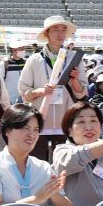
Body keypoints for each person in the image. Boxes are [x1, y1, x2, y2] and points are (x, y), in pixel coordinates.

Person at [18, 15, 88, 160]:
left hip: (67, 120)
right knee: (38, 163)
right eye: (55, 29)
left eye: (63, 30)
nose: (60, 33)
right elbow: (24, 91)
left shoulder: (74, 58)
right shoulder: (34, 60)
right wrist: (41, 91)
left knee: (66, 165)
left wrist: (74, 80)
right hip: (40, 121)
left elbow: (82, 93)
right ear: (46, 33)